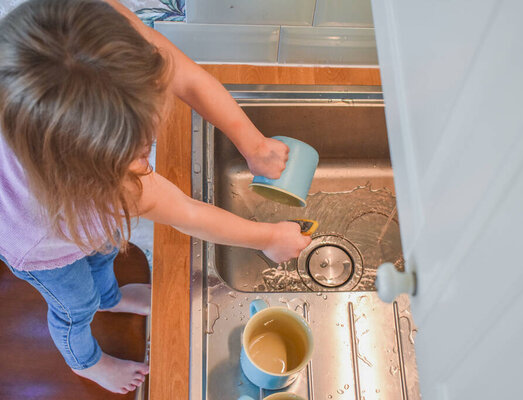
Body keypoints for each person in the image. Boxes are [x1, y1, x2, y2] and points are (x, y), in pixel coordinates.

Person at [0, 0, 312, 394]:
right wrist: (269, 239)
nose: (149, 151)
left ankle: (110, 298)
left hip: (61, 207)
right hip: (36, 246)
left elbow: (182, 73)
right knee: (73, 307)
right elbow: (186, 213)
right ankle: (86, 362)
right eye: (140, 149)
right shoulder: (111, 191)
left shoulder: (97, 31)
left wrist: (254, 145)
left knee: (102, 252)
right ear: (99, 170)